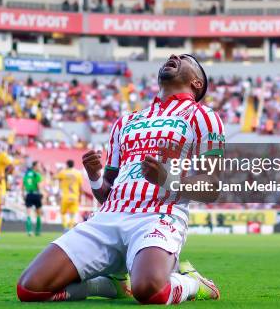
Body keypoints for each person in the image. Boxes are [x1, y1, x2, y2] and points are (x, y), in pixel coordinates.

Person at [17, 54, 224, 304]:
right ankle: (111, 285)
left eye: (184, 58)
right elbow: (106, 193)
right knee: (30, 289)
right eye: (172, 56)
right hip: (108, 218)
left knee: (151, 291)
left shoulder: (203, 116)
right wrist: (94, 177)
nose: (173, 56)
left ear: (197, 83)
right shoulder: (126, 121)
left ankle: (193, 283)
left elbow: (212, 187)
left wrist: (167, 178)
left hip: (158, 216)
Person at [56, 160, 83, 230]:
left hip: (65, 196)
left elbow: (55, 178)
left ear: (67, 165)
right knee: (73, 214)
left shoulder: (63, 172)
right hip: (74, 196)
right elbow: (81, 187)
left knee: (63, 213)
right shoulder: (78, 173)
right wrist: (80, 197)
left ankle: (65, 227)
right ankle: (70, 227)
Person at [23, 161, 43, 237]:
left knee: (28, 212)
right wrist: (41, 193)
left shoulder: (27, 174)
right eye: (38, 166)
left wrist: (23, 193)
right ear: (34, 166)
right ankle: (37, 232)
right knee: (38, 213)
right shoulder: (36, 174)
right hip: (36, 194)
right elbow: (38, 185)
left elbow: (24, 184)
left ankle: (29, 231)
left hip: (28, 194)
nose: (39, 167)